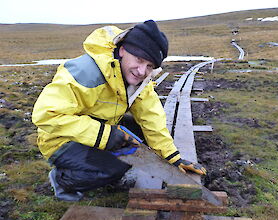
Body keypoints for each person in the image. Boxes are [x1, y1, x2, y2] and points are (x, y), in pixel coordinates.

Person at [32, 20, 206, 201]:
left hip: (98, 127)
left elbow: (152, 119)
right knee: (117, 166)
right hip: (61, 140)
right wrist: (105, 136)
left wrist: (173, 158)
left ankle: (100, 165)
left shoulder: (139, 81)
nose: (141, 71)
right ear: (123, 50)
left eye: (149, 66)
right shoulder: (86, 73)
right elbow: (46, 115)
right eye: (139, 60)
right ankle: (62, 180)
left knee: (141, 136)